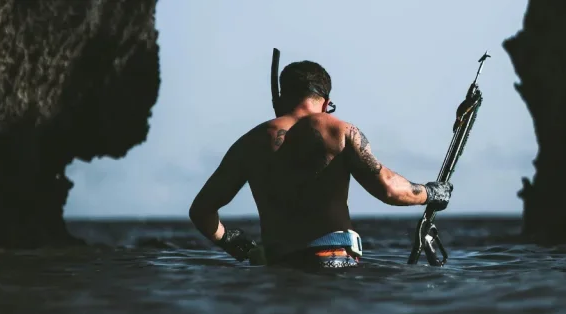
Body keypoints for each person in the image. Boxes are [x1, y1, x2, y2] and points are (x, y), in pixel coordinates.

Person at [188, 60, 453, 268]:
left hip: (279, 265)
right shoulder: (340, 131)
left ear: (280, 99)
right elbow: (389, 189)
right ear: (326, 103)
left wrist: (231, 242)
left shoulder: (250, 142)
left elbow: (201, 211)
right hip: (335, 257)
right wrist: (432, 192)